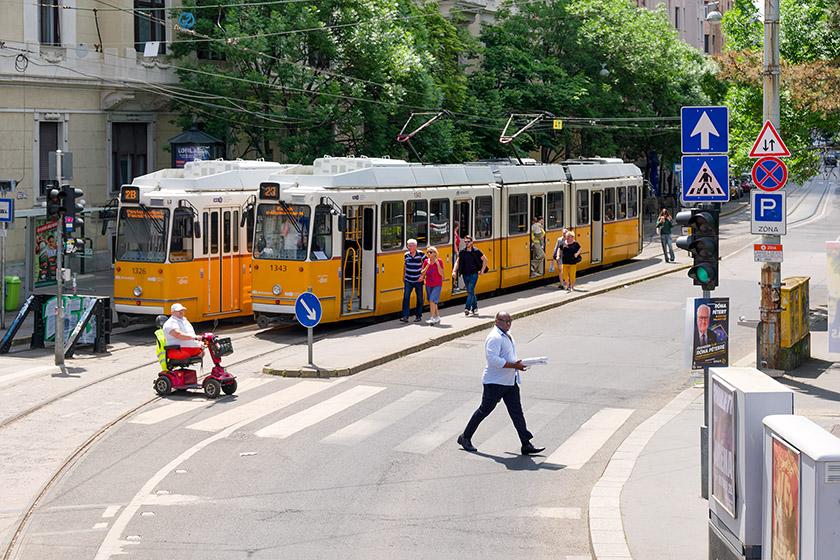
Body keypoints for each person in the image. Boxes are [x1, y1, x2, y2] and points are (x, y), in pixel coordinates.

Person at [457, 311, 545, 455]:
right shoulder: (494, 337)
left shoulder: (507, 334)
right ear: (496, 321)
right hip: (495, 382)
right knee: (484, 410)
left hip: (510, 381)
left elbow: (507, 356)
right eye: (505, 321)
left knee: (517, 412)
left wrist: (517, 364)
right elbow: (493, 359)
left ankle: (526, 444)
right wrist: (514, 366)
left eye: (510, 321)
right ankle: (465, 437)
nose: (508, 323)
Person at [452, 235, 488, 316]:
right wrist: (454, 271)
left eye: (468, 242)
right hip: (465, 274)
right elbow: (457, 262)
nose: (466, 243)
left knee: (470, 290)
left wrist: (482, 270)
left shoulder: (476, 251)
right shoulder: (462, 252)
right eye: (465, 242)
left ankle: (467, 308)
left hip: (474, 274)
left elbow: (485, 260)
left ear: (472, 242)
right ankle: (475, 307)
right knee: (470, 291)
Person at [400, 239, 427, 323]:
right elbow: (405, 265)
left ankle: (418, 316)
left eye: (411, 246)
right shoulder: (406, 255)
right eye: (408, 246)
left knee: (419, 298)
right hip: (408, 279)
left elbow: (427, 265)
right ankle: (405, 316)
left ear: (415, 246)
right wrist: (404, 275)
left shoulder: (421, 254)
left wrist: (422, 276)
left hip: (418, 280)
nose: (409, 248)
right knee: (406, 297)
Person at [421, 246, 444, 325]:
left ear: (435, 254)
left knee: (431, 300)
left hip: (437, 284)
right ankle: (437, 316)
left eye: (431, 252)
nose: (429, 254)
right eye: (428, 252)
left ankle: (431, 318)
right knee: (433, 302)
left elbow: (442, 274)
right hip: (428, 284)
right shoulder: (426, 261)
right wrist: (427, 265)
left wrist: (437, 265)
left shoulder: (439, 261)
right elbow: (423, 273)